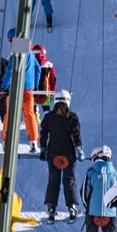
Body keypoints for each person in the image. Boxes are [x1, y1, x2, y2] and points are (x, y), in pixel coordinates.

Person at [38, 89, 81, 221]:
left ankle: (51, 208)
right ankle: (72, 207)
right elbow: (76, 133)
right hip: (68, 154)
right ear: (68, 101)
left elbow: (44, 133)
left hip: (53, 154)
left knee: (53, 181)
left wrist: (43, 149)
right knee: (69, 180)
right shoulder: (72, 116)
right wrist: (79, 149)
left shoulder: (48, 117)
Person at [0, 28, 42, 155]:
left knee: (10, 114)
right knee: (29, 114)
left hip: (15, 89)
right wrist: (35, 83)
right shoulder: (30, 53)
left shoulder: (16, 54)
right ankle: (34, 142)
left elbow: (9, 71)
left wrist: (4, 86)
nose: (10, 43)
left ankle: (6, 141)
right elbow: (38, 68)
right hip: (28, 89)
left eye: (11, 40)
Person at [32, 44, 57, 113]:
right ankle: (47, 121)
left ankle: (35, 121)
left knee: (32, 113)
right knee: (46, 111)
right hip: (45, 94)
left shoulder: (30, 63)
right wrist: (52, 92)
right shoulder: (49, 65)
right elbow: (52, 80)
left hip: (32, 93)